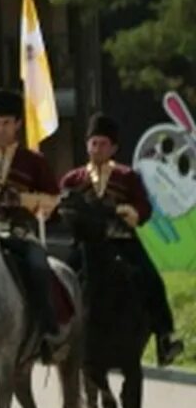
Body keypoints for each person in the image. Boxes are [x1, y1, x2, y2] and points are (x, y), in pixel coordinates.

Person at [60, 113, 183, 365]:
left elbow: (144, 208)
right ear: (87, 145)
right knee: (60, 280)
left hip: (122, 241)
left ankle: (164, 337)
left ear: (114, 147)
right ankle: (54, 334)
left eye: (103, 144)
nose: (97, 149)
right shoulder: (74, 179)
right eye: (93, 143)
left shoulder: (127, 177)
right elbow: (60, 207)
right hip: (86, 244)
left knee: (151, 278)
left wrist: (130, 212)